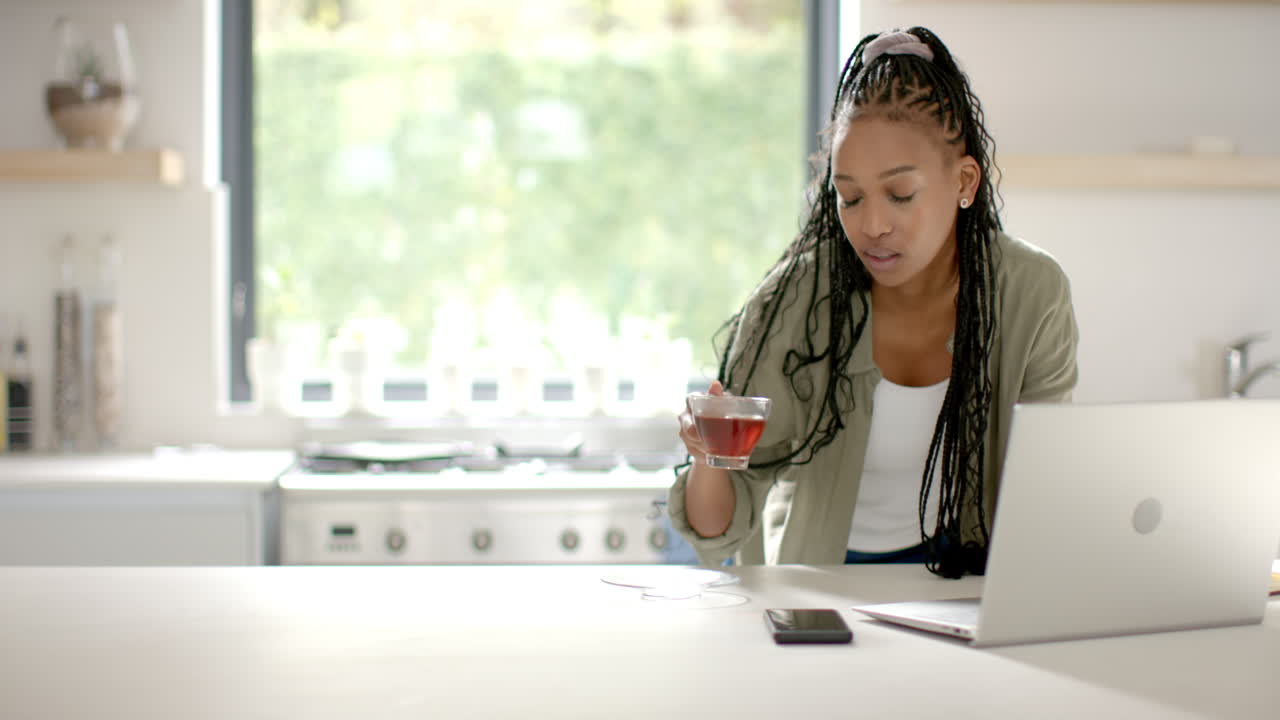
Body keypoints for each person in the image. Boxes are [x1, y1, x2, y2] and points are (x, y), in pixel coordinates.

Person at [669, 27, 1078, 579]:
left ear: (964, 181)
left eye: (900, 195)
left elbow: (1046, 482)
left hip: (959, 584)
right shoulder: (796, 301)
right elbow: (716, 526)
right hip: (820, 587)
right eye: (851, 197)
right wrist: (707, 460)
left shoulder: (1031, 291)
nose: (873, 225)